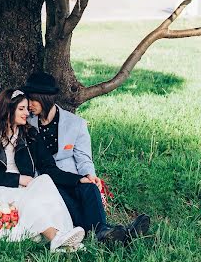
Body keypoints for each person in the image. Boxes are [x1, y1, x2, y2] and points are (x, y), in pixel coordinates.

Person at [0, 89, 87, 252]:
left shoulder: (30, 135)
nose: (27, 113)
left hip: (24, 189)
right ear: (8, 110)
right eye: (21, 109)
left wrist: (78, 179)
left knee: (44, 181)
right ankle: (56, 237)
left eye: (27, 109)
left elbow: (49, 168)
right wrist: (17, 179)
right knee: (26, 197)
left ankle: (64, 235)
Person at [23, 72, 151, 244]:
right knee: (62, 198)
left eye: (33, 100)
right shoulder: (26, 122)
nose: (29, 105)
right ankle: (114, 233)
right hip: (46, 178)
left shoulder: (75, 123)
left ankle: (105, 232)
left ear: (45, 98)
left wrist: (89, 175)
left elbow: (83, 157)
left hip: (72, 176)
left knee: (89, 188)